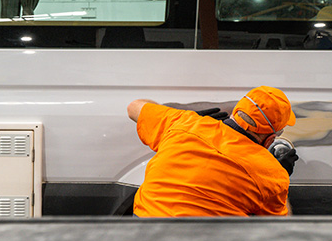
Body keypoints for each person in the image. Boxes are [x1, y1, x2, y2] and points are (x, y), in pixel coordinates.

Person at [127, 86, 299, 217]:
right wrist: (280, 177)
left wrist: (185, 115)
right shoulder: (269, 173)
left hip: (144, 231)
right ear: (270, 140)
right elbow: (281, 228)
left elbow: (134, 106)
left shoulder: (183, 122)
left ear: (235, 113)